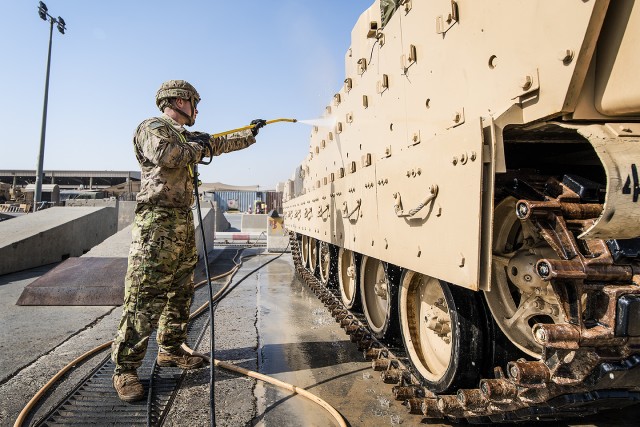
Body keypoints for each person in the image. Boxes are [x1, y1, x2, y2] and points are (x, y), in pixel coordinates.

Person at [111, 79, 266, 402]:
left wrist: (248, 136)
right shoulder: (153, 128)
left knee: (181, 292)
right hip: (157, 222)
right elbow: (169, 156)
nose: (197, 109)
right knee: (145, 294)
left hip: (181, 220)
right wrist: (201, 146)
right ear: (179, 100)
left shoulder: (185, 136)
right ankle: (125, 368)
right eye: (194, 102)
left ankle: (169, 349)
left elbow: (215, 145)